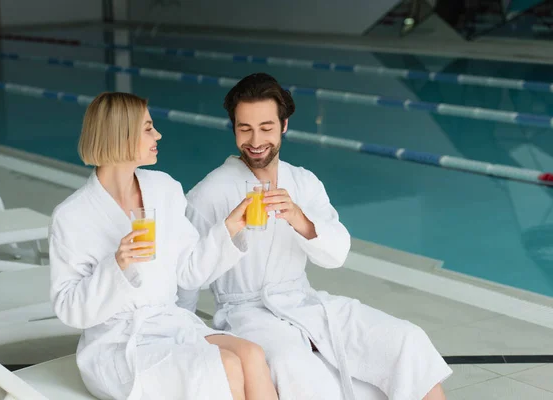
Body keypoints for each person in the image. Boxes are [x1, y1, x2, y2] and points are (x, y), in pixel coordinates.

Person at [177, 73, 453, 400]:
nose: (255, 141)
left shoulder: (303, 182)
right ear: (234, 127)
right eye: (244, 128)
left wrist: (299, 219)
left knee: (405, 339)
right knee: (296, 368)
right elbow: (186, 279)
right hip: (246, 314)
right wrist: (186, 337)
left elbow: (337, 255)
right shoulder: (210, 192)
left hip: (306, 302)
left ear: (284, 125)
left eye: (266, 128)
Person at [49, 92, 279, 400]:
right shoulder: (72, 215)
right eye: (147, 128)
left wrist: (230, 228)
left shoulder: (164, 189)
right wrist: (116, 266)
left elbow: (188, 272)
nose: (157, 135)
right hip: (117, 344)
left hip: (171, 327)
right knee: (224, 365)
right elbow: (70, 310)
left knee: (250, 354)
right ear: (122, 134)